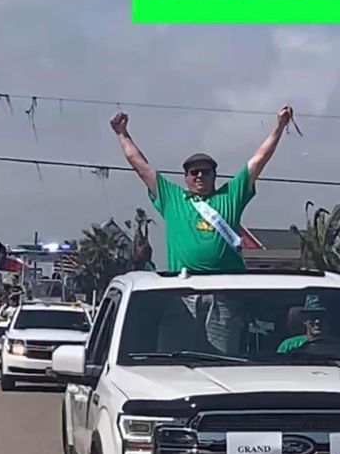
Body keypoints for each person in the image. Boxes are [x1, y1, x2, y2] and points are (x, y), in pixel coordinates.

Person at [110, 104, 295, 353]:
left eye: (205, 172)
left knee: (221, 363)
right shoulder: (172, 198)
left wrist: (280, 126)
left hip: (224, 296)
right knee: (173, 360)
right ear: (185, 177)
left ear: (214, 176)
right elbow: (140, 165)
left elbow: (259, 160)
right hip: (180, 295)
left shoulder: (230, 196)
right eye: (193, 172)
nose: (199, 176)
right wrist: (122, 134)